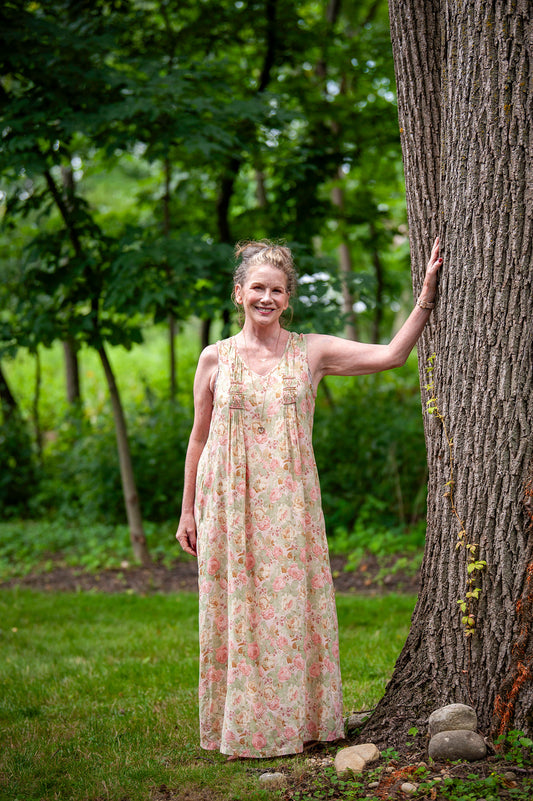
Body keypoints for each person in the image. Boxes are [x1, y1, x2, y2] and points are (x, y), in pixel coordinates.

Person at [176, 237, 442, 759]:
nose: (266, 298)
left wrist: (426, 297)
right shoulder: (214, 358)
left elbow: (391, 354)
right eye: (257, 288)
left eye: (277, 290)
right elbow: (198, 438)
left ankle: (299, 722)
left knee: (291, 612)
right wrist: (187, 510)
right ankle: (243, 729)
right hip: (226, 504)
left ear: (288, 298)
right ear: (238, 293)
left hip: (289, 504)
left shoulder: (311, 351)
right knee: (237, 613)